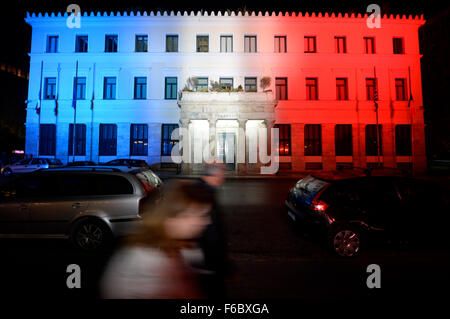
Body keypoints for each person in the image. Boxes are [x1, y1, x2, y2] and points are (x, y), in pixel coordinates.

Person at [100, 180, 213, 299]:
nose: (207, 221)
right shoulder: (141, 256)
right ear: (172, 217)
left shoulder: (189, 248)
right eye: (200, 215)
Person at [191, 162, 230, 299]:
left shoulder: (207, 190)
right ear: (215, 173)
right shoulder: (201, 193)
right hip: (206, 266)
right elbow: (209, 234)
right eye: (222, 173)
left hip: (209, 265)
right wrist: (218, 265)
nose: (224, 177)